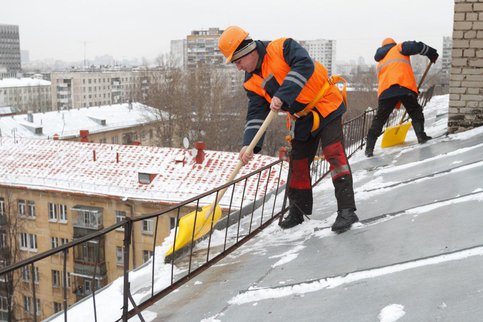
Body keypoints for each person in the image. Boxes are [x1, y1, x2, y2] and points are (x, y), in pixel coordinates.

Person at [218, 26, 358, 233]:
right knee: (298, 163)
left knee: (334, 154)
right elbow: (256, 113)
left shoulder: (282, 47)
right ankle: (297, 211)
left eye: (238, 62)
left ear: (248, 52)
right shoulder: (251, 82)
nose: (238, 68)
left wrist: (283, 94)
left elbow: (304, 65)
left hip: (326, 104)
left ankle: (347, 210)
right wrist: (249, 144)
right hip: (302, 117)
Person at [365, 38, 439, 157]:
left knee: (379, 120)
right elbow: (417, 46)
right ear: (392, 44)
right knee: (415, 111)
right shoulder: (399, 48)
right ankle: (421, 136)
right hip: (403, 86)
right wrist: (431, 53)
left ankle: (369, 149)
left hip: (386, 93)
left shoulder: (380, 62)